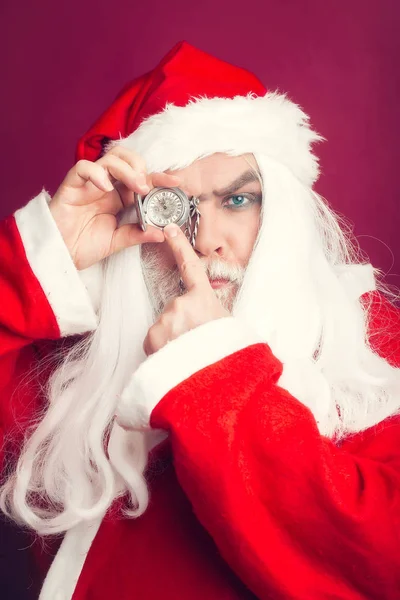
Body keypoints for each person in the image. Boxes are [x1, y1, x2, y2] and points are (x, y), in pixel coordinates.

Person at [1, 40, 400, 600]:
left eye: (238, 202)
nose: (208, 241)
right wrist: (31, 269)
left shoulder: (365, 342)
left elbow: (381, 558)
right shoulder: (72, 360)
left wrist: (212, 375)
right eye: (175, 208)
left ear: (281, 209)